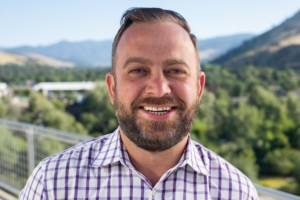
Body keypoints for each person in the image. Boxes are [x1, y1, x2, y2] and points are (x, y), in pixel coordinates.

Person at [20, 7, 258, 199]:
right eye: (137, 70)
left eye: (175, 70)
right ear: (113, 88)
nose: (158, 88)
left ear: (198, 87)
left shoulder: (236, 192)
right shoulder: (52, 183)